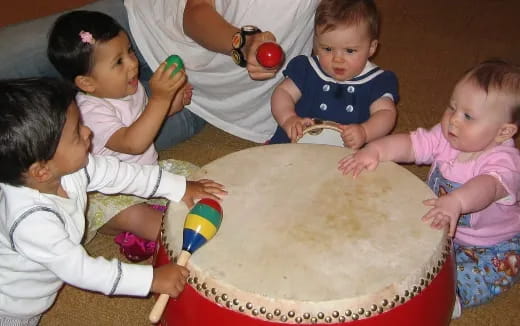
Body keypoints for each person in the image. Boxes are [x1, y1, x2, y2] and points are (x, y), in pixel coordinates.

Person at [0, 78, 225, 325]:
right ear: (42, 172)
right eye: (77, 134)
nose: (88, 132)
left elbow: (119, 173)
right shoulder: (31, 223)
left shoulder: (68, 168)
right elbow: (83, 270)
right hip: (10, 308)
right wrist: (151, 279)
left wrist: (179, 187)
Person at [338, 60, 520, 317]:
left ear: (503, 132)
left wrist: (457, 201)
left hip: (490, 245)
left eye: (468, 116)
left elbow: (488, 187)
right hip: (438, 225)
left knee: (481, 276)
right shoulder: (446, 137)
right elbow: (411, 144)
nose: (453, 120)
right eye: (452, 107)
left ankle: (453, 300)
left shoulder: (505, 163)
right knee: (392, 244)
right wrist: (376, 150)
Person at [46, 10, 205, 261]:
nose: (133, 63)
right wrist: (161, 99)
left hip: (146, 172)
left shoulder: (128, 87)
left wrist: (171, 104)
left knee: (198, 177)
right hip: (107, 191)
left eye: (129, 51)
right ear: (87, 84)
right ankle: (175, 241)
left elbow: (144, 120)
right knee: (136, 216)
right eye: (118, 62)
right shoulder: (89, 111)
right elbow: (133, 143)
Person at [124, 0, 321, 143]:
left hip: (204, 100)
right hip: (146, 27)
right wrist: (245, 44)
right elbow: (196, 12)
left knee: (113, 140)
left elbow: (344, 27)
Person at [269, 0, 398, 148]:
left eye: (350, 51)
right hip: (297, 141)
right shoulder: (307, 69)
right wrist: (288, 118)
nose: (337, 59)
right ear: (316, 42)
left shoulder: (376, 80)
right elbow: (283, 92)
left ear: (371, 48)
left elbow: (386, 113)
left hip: (348, 152)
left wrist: (365, 132)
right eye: (327, 49)